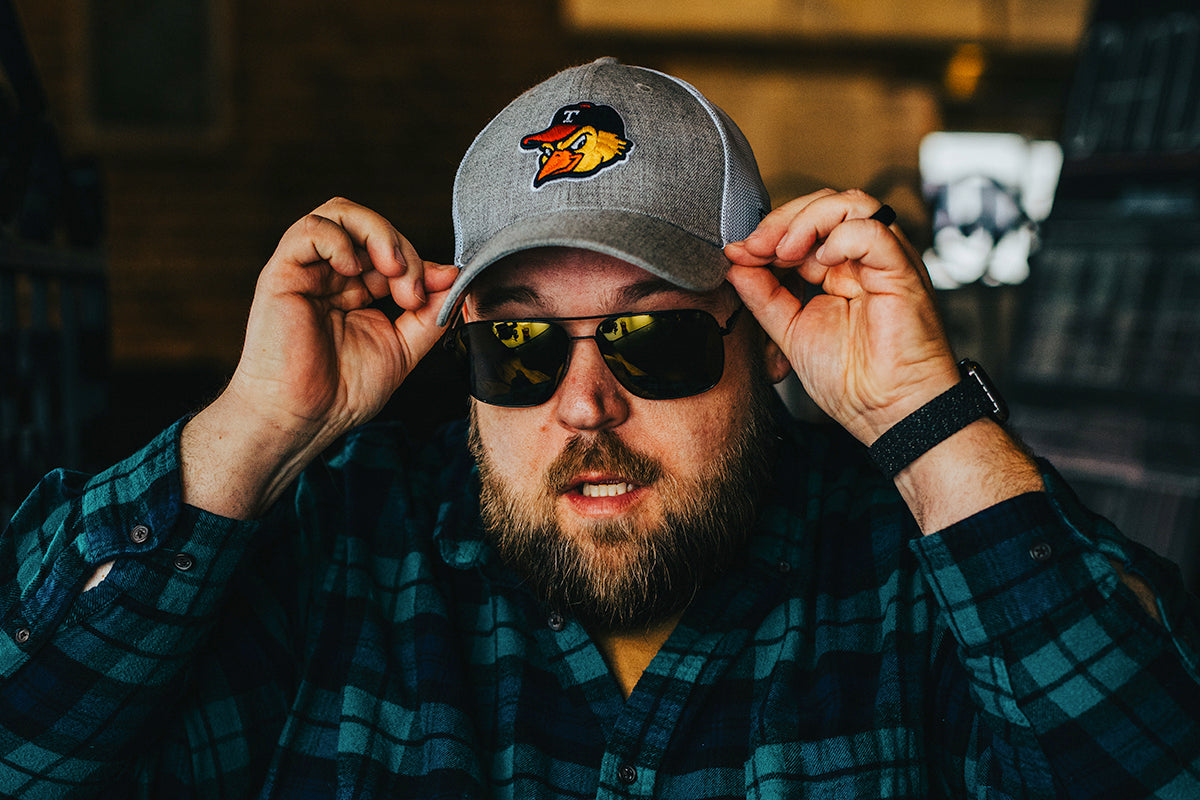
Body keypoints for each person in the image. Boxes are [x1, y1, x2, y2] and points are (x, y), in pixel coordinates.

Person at [1, 56, 1198, 799]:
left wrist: (925, 421)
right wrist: (255, 427)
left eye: (654, 339)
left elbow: (1153, 762)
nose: (583, 402)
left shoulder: (904, 579)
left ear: (765, 340)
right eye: (519, 345)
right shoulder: (340, 556)